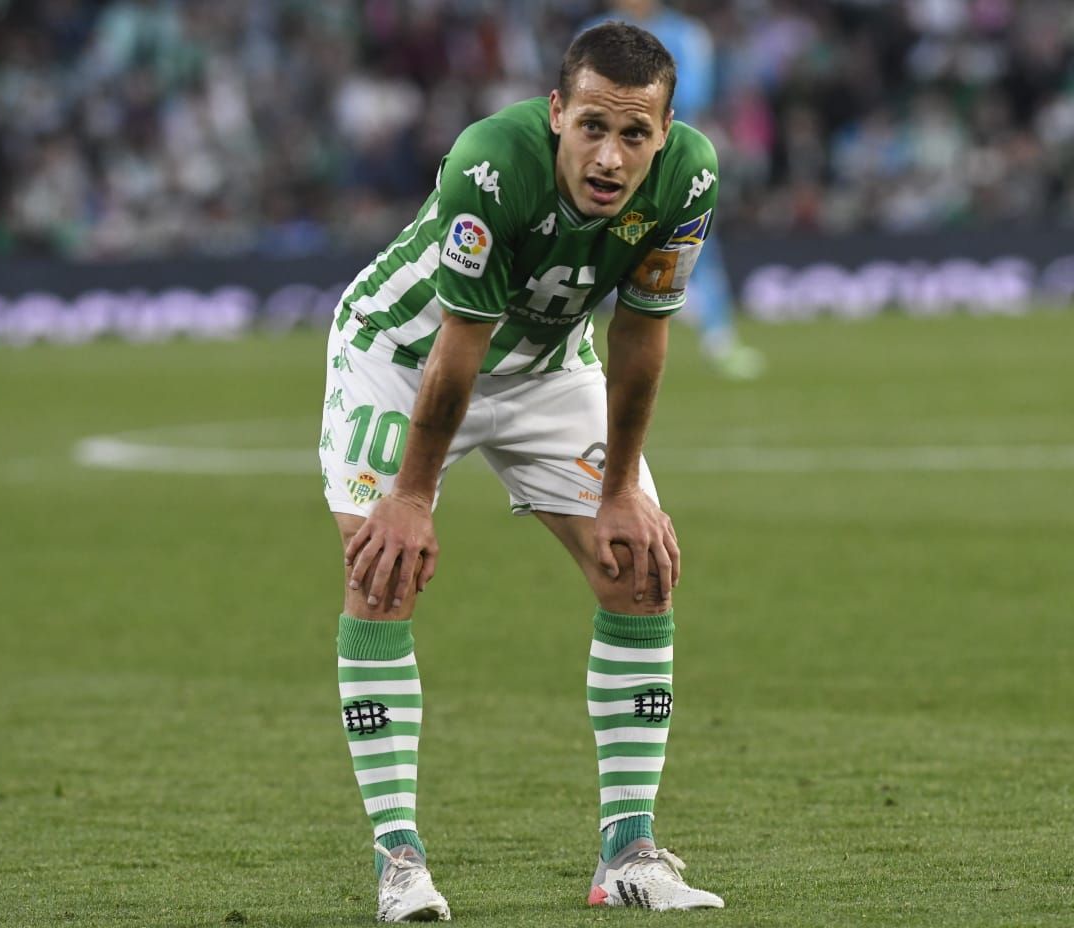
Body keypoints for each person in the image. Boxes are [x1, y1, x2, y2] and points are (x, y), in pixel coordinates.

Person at [319, 22, 725, 922]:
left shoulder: (690, 177)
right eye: (591, 126)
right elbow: (456, 355)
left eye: (633, 134)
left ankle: (628, 852)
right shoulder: (490, 164)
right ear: (555, 114)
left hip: (546, 363)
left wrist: (621, 490)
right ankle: (400, 860)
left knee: (642, 569)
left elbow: (641, 336)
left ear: (664, 133)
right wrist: (414, 499)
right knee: (382, 573)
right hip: (404, 351)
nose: (610, 155)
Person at [581, 0, 765, 380]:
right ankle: (558, 343)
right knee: (579, 244)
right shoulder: (593, 31)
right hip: (605, 159)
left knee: (699, 249)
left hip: (668, 162)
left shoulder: (688, 34)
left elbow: (693, 97)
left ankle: (720, 341)